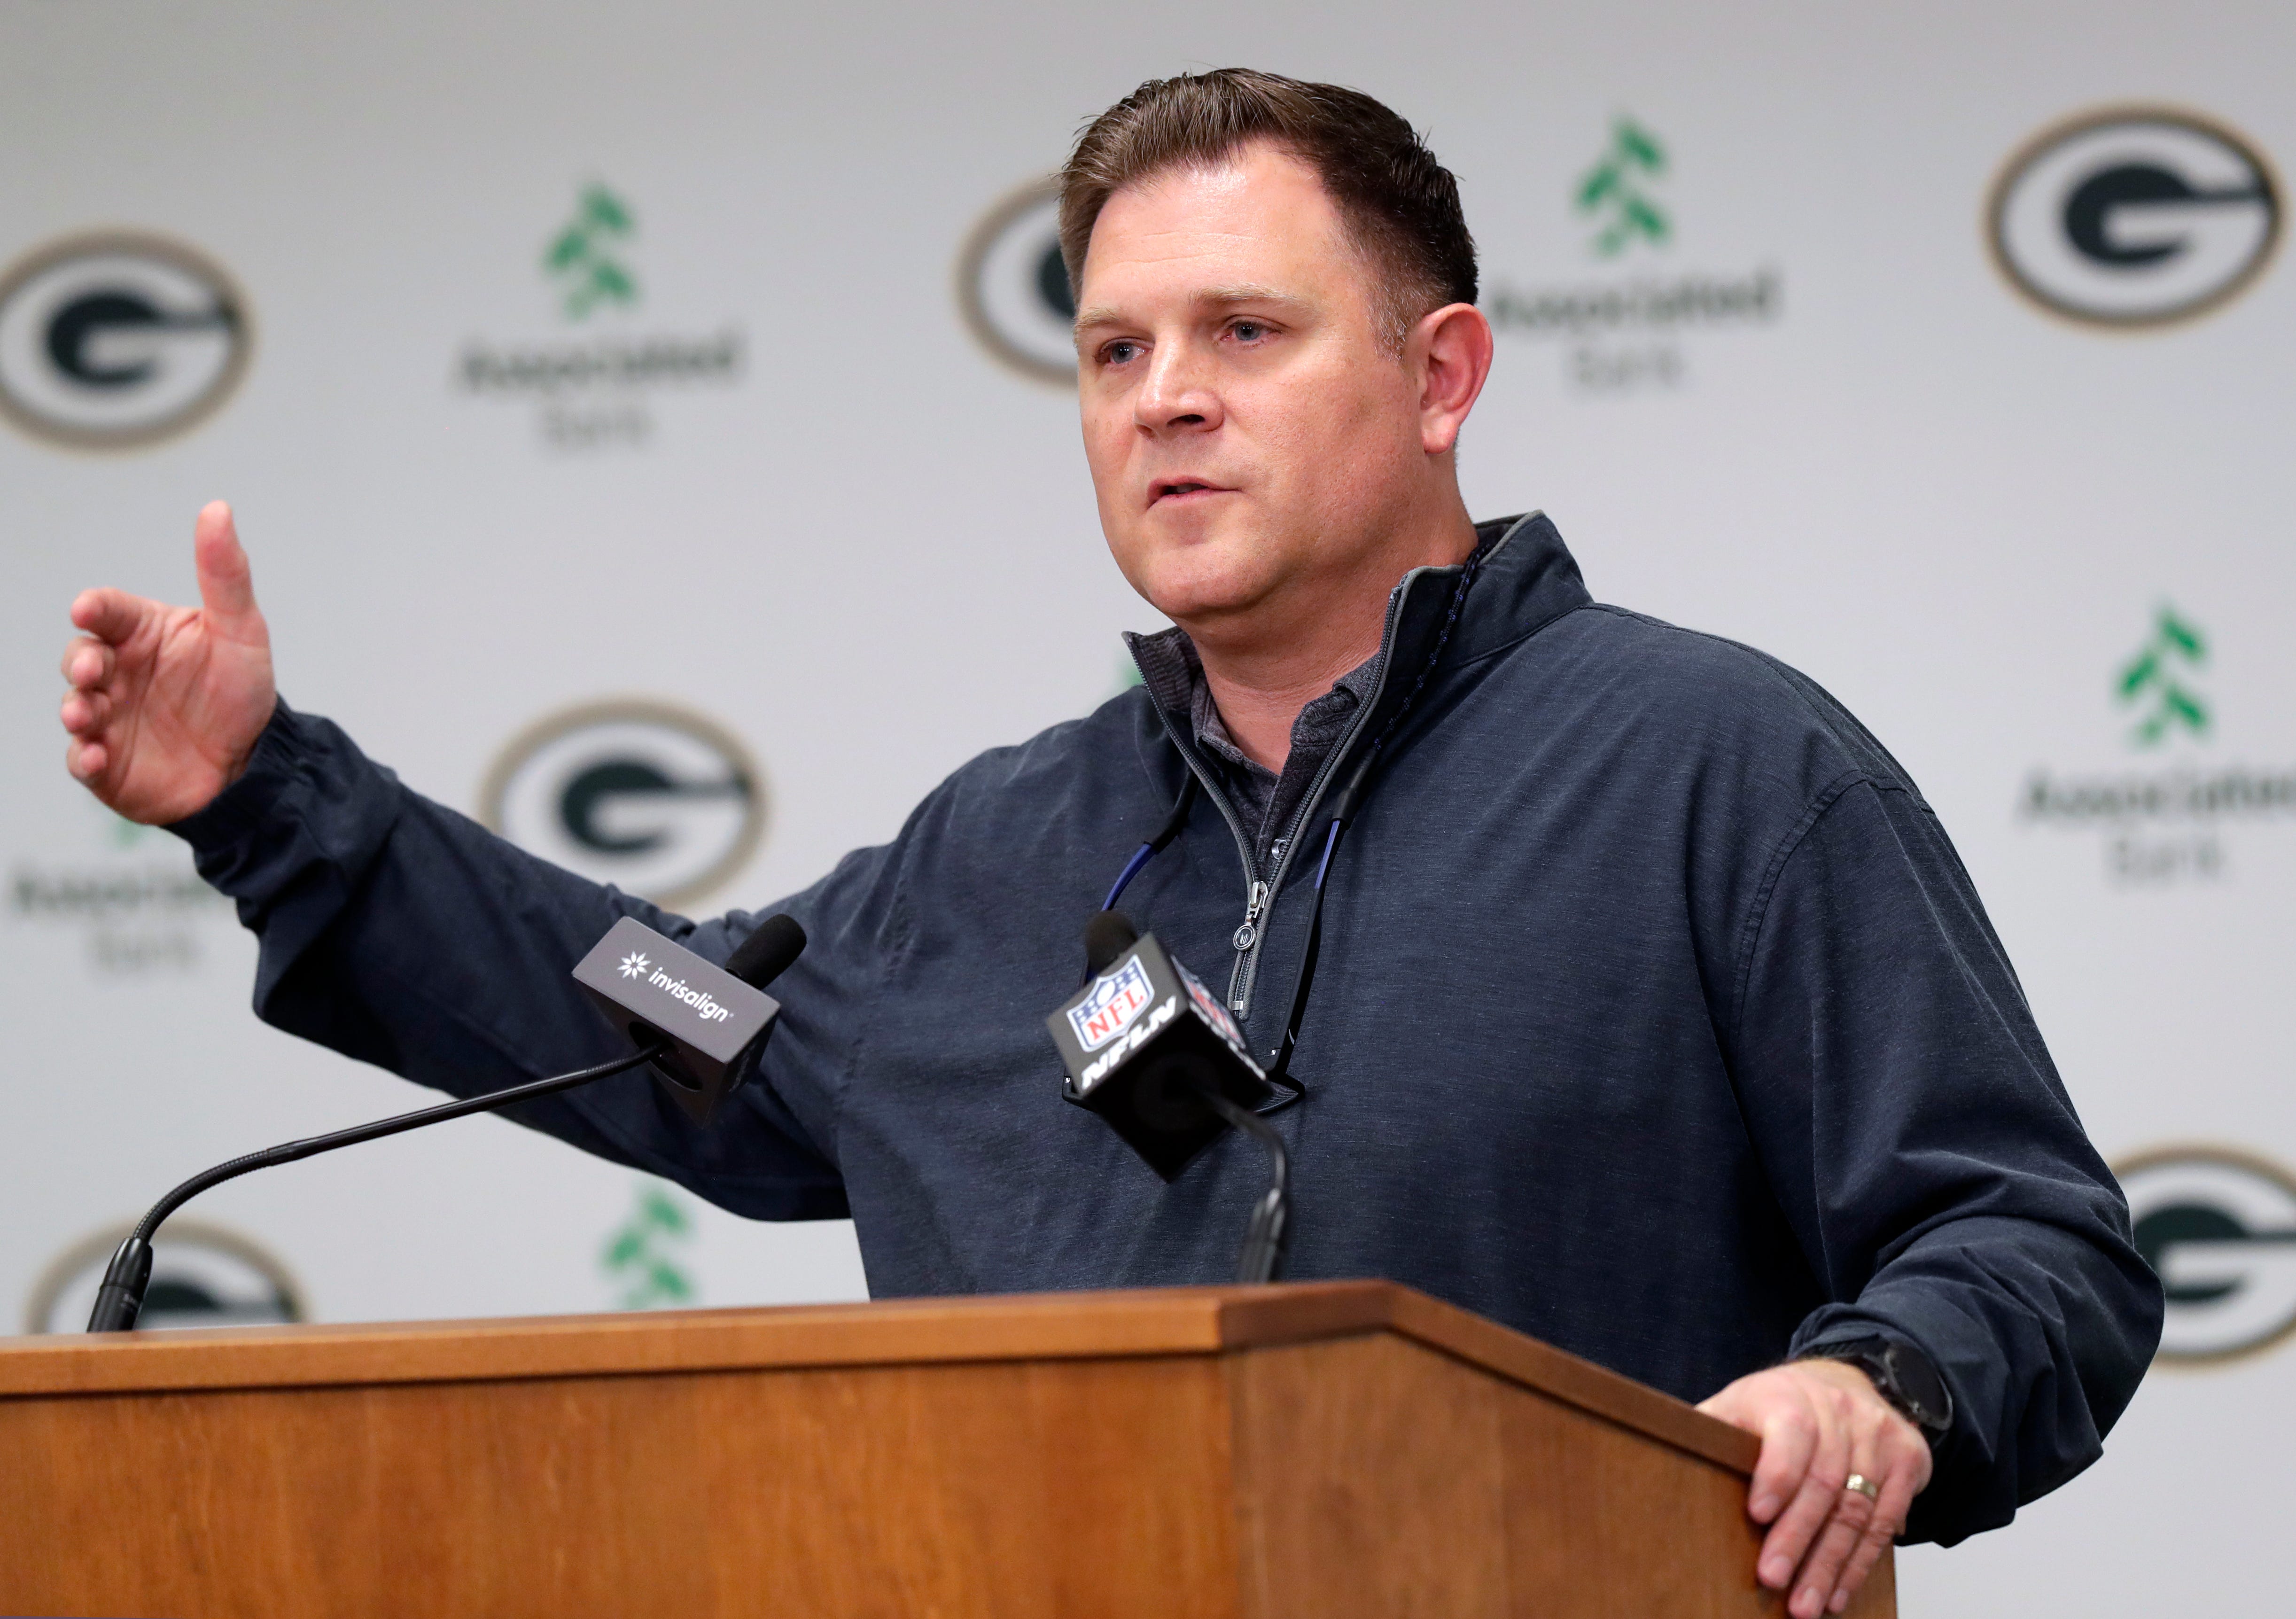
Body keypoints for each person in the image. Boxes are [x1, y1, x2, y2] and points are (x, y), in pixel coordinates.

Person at [58, 69, 2157, 1618]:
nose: (1165, 398)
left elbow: (2033, 1241)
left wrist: (1878, 1382)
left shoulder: (1721, 768)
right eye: (1112, 349)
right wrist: (271, 798)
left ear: (1442, 377)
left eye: (1243, 333)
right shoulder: (998, 856)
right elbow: (649, 1014)